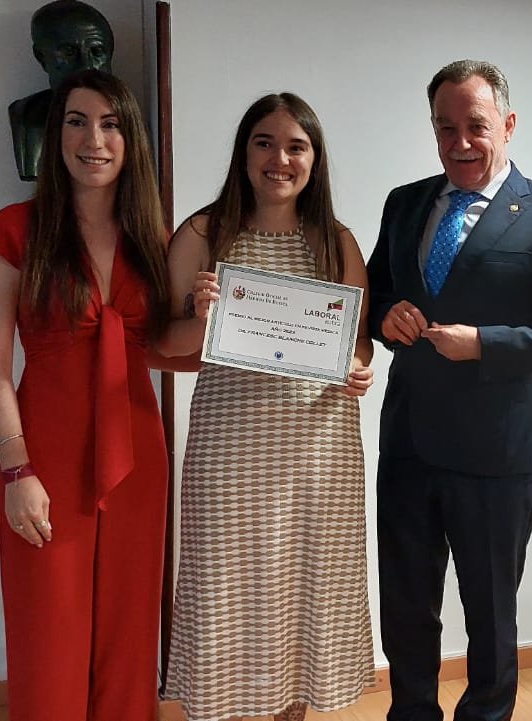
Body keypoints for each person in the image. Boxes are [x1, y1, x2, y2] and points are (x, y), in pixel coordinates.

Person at [366, 59, 532, 721]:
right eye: (445, 128)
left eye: (476, 126)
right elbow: (379, 292)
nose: (459, 143)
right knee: (407, 606)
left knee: (491, 614)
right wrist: (386, 317)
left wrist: (486, 342)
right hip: (408, 441)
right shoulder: (406, 203)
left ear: (509, 125)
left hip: (498, 452)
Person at [158, 93, 376, 721]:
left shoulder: (334, 240)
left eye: (295, 146)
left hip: (319, 453)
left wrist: (361, 369)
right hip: (230, 451)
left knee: (305, 597)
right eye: (264, 142)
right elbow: (159, 343)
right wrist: (201, 319)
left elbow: (357, 345)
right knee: (228, 598)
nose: (279, 159)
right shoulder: (203, 233)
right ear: (244, 151)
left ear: (314, 159)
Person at [0, 69, 180, 720]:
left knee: (129, 631)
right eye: (77, 121)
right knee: (49, 636)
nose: (95, 139)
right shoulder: (14, 229)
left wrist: (217, 314)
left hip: (137, 458)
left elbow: (167, 352)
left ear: (131, 140)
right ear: (55, 134)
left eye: (112, 124)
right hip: (46, 459)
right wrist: (17, 468)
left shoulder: (154, 240)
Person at [9, 0, 115, 181]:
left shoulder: (129, 115)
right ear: (41, 57)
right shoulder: (27, 116)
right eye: (69, 52)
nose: (86, 66)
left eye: (97, 52)